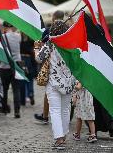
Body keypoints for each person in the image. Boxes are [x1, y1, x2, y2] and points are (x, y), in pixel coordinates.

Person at [34, 20, 76, 150]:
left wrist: (36, 48)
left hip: (54, 83)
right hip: (69, 82)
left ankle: (59, 139)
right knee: (65, 110)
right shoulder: (72, 44)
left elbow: (38, 58)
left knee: (55, 111)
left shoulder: (50, 44)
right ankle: (63, 135)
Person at [34, 10, 65, 124]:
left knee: (49, 93)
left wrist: (37, 47)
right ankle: (62, 118)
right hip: (66, 69)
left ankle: (45, 116)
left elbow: (40, 54)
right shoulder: (68, 31)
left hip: (51, 66)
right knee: (65, 100)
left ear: (53, 18)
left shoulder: (48, 31)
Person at [0, 21, 22, 118]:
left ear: (4, 27)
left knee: (4, 89)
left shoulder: (3, 37)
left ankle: (4, 108)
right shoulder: (18, 36)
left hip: (5, 65)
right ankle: (17, 111)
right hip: (16, 65)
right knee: (16, 89)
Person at [20, 33, 36, 105]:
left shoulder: (21, 40)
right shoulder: (29, 40)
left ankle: (27, 96)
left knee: (26, 79)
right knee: (28, 79)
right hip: (26, 60)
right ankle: (29, 95)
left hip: (25, 60)